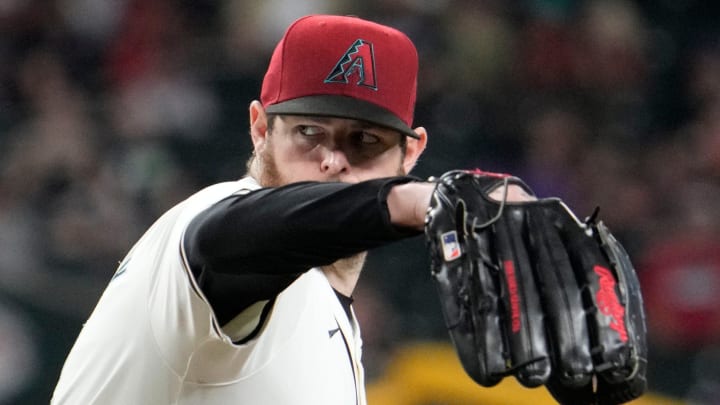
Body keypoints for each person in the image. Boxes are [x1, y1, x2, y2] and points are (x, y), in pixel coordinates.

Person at [51, 14, 531, 405]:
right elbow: (237, 238)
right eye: (309, 132)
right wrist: (420, 199)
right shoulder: (210, 225)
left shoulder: (324, 309)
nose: (333, 159)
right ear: (260, 128)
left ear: (410, 153)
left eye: (365, 140)